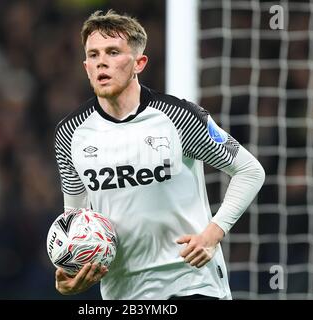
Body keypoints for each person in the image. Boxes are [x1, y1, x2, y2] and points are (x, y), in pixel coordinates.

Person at [53, 9, 265, 300]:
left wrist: (213, 234)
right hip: (123, 291)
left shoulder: (179, 117)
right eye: (94, 54)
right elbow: (75, 222)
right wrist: (70, 275)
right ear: (86, 66)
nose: (102, 61)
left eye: (113, 52)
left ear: (139, 63)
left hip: (192, 283)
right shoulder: (70, 133)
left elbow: (250, 171)